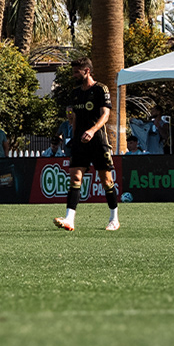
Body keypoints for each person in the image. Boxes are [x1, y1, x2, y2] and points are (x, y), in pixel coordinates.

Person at [55, 66, 120, 235]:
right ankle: (69, 219)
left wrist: (92, 131)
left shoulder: (101, 89)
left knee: (106, 181)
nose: (74, 75)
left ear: (87, 70)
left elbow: (105, 115)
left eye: (77, 72)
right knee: (75, 178)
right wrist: (75, 138)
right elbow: (75, 117)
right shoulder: (76, 92)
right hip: (80, 143)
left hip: (98, 140)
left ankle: (114, 219)